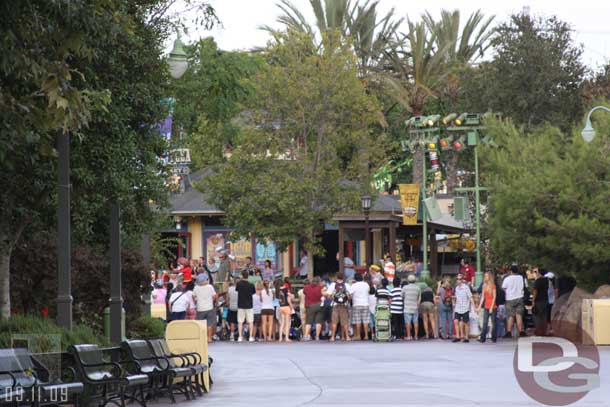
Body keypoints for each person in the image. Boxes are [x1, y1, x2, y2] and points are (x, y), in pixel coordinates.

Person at [502, 264, 525, 339]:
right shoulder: (521, 278)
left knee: (510, 316)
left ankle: (509, 332)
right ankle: (521, 331)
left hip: (510, 298)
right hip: (519, 297)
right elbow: (524, 287)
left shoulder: (507, 279)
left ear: (510, 271)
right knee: (519, 315)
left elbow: (504, 288)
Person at [192, 273, 217, 342]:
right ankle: (209, 338)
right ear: (205, 280)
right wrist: (212, 300)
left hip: (200, 308)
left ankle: (202, 337)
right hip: (209, 307)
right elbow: (214, 296)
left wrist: (196, 300)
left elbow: (193, 296)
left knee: (200, 324)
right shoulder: (210, 287)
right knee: (209, 324)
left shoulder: (196, 287)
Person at [452, 273, 475, 343]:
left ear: (462, 280)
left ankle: (466, 337)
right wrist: (454, 302)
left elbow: (470, 297)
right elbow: (456, 297)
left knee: (466, 322)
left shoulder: (466, 287)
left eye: (459, 279)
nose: (458, 281)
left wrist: (474, 307)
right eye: (457, 279)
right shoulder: (456, 288)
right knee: (456, 321)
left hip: (465, 307)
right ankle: (458, 336)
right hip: (458, 307)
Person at [235, 270, 256, 342]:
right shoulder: (251, 284)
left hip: (240, 304)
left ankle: (240, 337)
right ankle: (250, 337)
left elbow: (237, 290)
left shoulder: (239, 284)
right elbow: (253, 292)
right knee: (250, 321)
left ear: (242, 275)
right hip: (249, 305)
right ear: (248, 276)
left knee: (240, 322)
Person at [349, 273, 371, 340]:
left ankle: (358, 336)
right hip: (365, 304)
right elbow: (368, 292)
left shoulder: (354, 285)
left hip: (356, 304)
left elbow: (350, 296)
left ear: (355, 279)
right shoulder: (366, 284)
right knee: (365, 321)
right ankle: (366, 336)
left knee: (358, 321)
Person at [477, 271, 497, 343]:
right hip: (486, 306)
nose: (485, 277)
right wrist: (479, 306)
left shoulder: (493, 286)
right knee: (485, 322)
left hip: (493, 306)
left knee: (493, 322)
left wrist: (491, 307)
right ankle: (483, 338)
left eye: (486, 276)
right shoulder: (484, 285)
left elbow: (494, 297)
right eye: (484, 276)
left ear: (489, 277)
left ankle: (494, 337)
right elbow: (482, 297)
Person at [402, 274, 420, 341]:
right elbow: (419, 297)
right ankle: (416, 336)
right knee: (415, 322)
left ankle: (409, 336)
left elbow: (402, 296)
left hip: (407, 307)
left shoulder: (405, 288)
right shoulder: (418, 288)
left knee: (408, 322)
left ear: (408, 280)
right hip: (415, 307)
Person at [532, 268, 550, 336]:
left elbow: (535, 291)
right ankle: (544, 331)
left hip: (538, 300)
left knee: (537, 316)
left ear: (539, 273)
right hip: (545, 299)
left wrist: (533, 300)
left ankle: (538, 330)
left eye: (537, 272)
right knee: (544, 316)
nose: (536, 273)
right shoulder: (547, 280)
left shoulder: (538, 281)